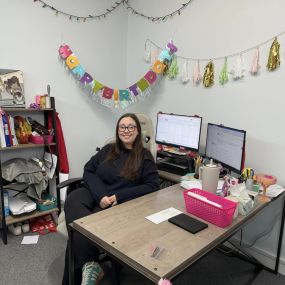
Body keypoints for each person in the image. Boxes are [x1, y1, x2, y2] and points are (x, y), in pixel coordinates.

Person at [62, 113, 160, 285]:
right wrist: (101, 195)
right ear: (117, 130)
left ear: (138, 131)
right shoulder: (109, 149)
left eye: (131, 127)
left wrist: (118, 197)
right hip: (93, 193)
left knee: (77, 232)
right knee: (72, 199)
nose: (126, 130)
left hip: (116, 204)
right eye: (122, 127)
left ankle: (83, 273)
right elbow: (89, 170)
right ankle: (91, 266)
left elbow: (152, 185)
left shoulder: (144, 157)